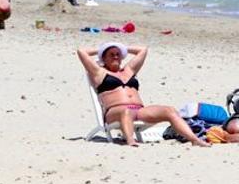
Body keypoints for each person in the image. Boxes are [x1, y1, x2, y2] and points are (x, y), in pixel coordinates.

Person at [76, 43, 208, 147]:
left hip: (139, 110)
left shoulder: (128, 70)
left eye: (118, 54)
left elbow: (143, 50)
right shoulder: (99, 73)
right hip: (115, 112)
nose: (116, 56)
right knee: (126, 111)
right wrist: (103, 47)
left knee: (170, 110)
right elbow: (81, 52)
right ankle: (130, 141)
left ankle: (194, 140)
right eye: (111, 54)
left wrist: (122, 47)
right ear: (103, 58)